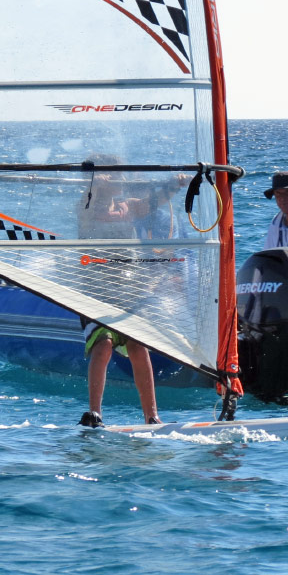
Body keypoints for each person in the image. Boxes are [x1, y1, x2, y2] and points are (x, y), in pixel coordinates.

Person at [76, 163, 187, 428]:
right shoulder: (87, 206)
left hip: (129, 287)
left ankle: (151, 416)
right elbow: (85, 204)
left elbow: (156, 199)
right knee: (103, 344)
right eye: (112, 176)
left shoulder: (129, 205)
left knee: (139, 345)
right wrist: (94, 185)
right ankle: (94, 413)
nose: (118, 179)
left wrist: (175, 183)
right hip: (96, 290)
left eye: (118, 176)